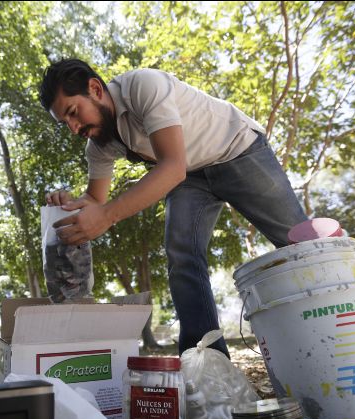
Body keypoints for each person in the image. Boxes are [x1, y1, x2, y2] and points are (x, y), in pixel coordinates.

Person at [38, 59, 307, 358]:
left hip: (237, 148)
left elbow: (171, 167)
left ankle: (341, 323)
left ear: (95, 88)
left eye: (73, 113)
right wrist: (68, 203)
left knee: (298, 242)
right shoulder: (99, 145)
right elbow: (95, 201)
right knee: (182, 255)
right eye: (66, 123)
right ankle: (206, 364)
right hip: (192, 177)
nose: (74, 128)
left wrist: (108, 216)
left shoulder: (142, 86)